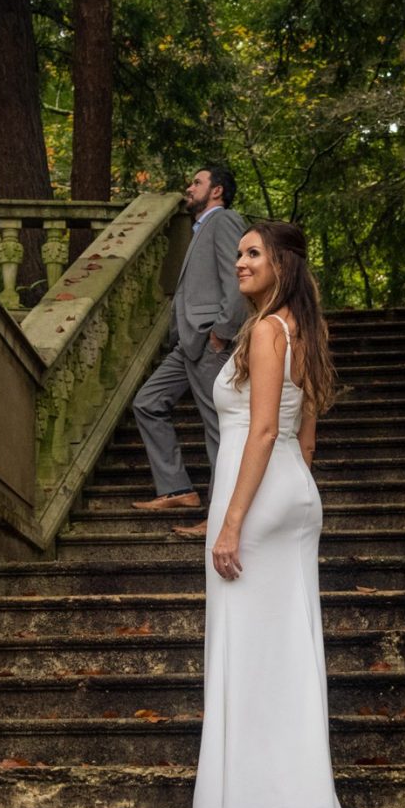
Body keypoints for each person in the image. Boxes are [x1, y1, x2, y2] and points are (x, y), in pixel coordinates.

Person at [192, 220, 345, 808]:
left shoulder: (264, 332)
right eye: (238, 254)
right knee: (286, 642)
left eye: (253, 253)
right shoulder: (301, 329)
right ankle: (292, 784)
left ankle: (255, 794)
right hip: (290, 491)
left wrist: (230, 524)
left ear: (282, 262)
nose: (240, 262)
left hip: (254, 497)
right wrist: (289, 488)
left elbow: (258, 430)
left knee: (249, 643)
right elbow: (302, 436)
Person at [130, 165, 249, 537]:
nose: (189, 187)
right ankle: (178, 489)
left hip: (209, 342)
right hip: (186, 344)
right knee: (147, 402)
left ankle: (219, 520)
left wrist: (222, 333)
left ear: (216, 191)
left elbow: (236, 278)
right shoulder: (200, 228)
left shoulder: (225, 220)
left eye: (197, 182)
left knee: (219, 430)